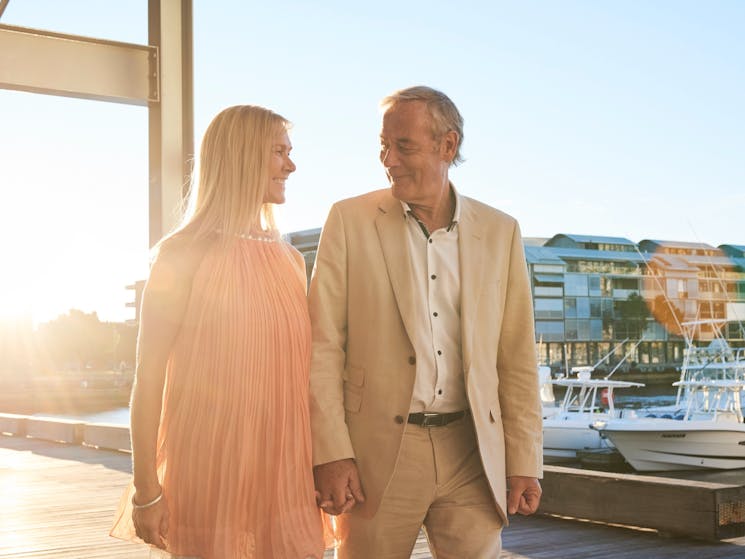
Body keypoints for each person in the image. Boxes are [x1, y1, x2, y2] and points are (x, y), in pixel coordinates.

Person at [308, 86, 543, 558]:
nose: (388, 159)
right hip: (377, 453)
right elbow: (321, 346)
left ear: (447, 146)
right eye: (384, 146)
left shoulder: (501, 231)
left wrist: (524, 460)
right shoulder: (349, 220)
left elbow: (515, 356)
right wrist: (331, 452)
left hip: (471, 450)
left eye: (404, 146)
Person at [111, 105, 327, 558]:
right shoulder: (181, 254)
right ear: (242, 155)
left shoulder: (291, 261)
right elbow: (148, 380)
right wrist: (146, 489)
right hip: (208, 468)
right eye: (279, 152)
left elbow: (306, 380)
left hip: (284, 473)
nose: (291, 165)